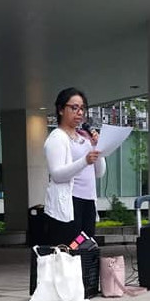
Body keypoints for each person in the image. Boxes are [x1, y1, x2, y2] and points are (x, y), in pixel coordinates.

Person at [43, 87, 106, 245]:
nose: (79, 112)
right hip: (69, 204)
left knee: (86, 248)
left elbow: (99, 172)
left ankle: (84, 271)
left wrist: (97, 147)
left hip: (88, 202)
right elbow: (57, 174)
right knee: (70, 250)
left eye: (82, 108)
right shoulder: (57, 138)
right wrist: (84, 160)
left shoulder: (84, 139)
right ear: (61, 110)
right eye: (74, 107)